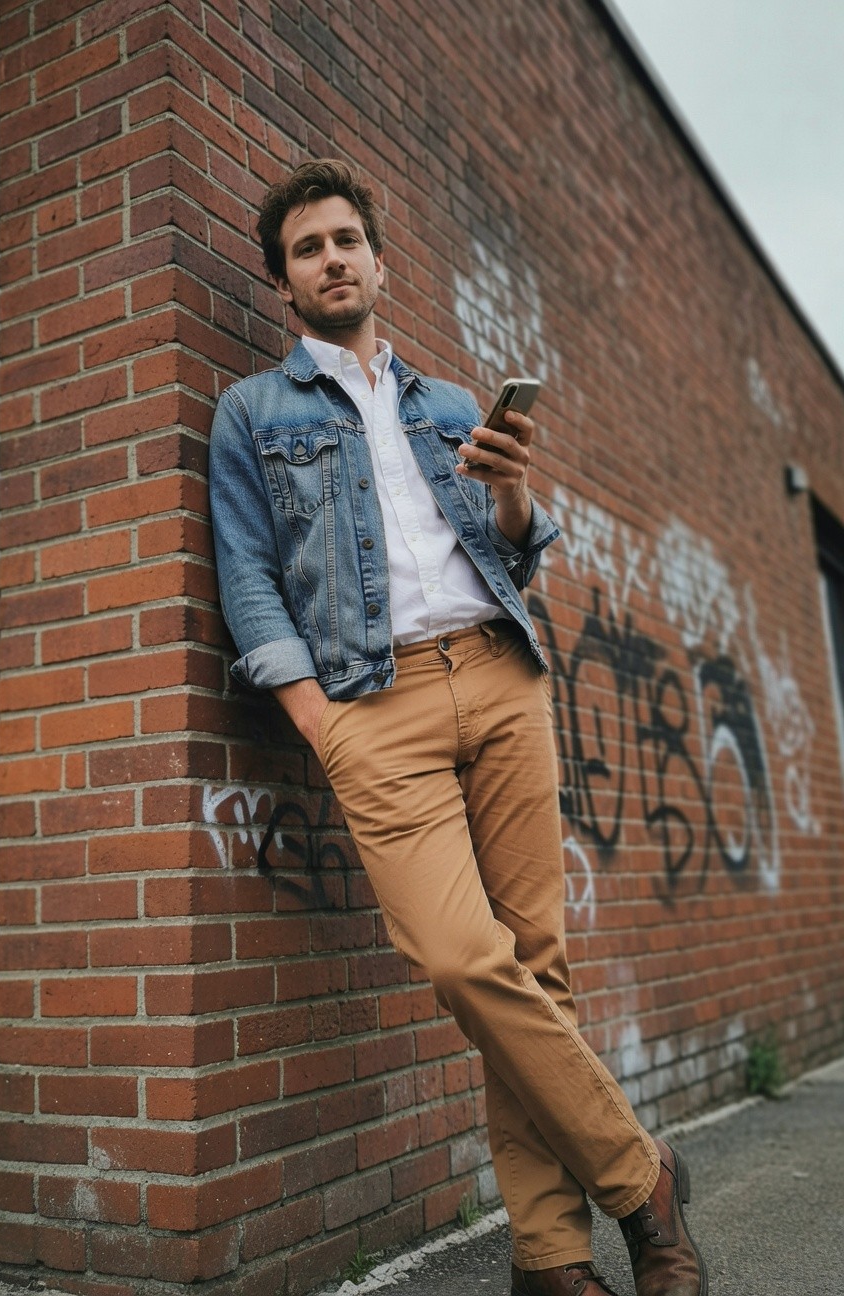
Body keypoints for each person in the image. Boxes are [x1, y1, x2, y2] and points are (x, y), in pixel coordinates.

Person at [208, 159, 707, 1296]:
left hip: (503, 675)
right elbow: (247, 583)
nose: (332, 259)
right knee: (460, 958)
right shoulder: (253, 413)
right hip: (369, 703)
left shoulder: (446, 405)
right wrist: (324, 728)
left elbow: (519, 550)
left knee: (536, 965)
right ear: (284, 284)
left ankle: (553, 1259)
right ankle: (644, 1180)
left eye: (347, 240)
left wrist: (518, 492)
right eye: (307, 249)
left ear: (380, 261)